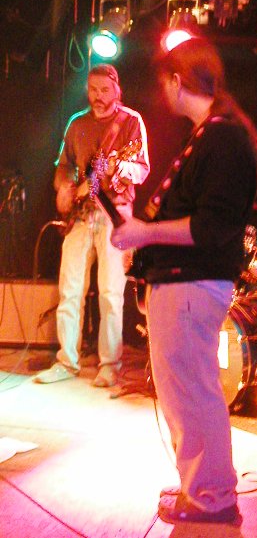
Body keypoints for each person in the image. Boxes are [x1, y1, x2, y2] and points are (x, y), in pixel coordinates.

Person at [110, 36, 257, 525]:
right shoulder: (211, 135)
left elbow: (210, 227)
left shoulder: (223, 138)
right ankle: (199, 485)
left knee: (193, 391)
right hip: (182, 284)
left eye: (165, 83)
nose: (163, 92)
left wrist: (145, 231)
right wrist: (139, 231)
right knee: (185, 392)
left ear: (178, 81)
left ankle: (211, 497)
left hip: (192, 284)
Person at [34, 64, 150, 387]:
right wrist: (64, 188)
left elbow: (142, 168)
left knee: (111, 293)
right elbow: (64, 167)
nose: (98, 96)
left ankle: (110, 364)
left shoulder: (130, 121)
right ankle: (66, 361)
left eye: (104, 90)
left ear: (117, 90)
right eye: (93, 90)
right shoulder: (76, 123)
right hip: (80, 217)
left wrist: (117, 168)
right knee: (70, 289)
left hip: (114, 215)